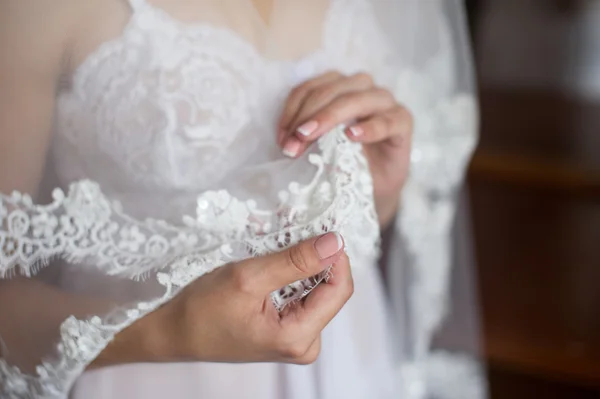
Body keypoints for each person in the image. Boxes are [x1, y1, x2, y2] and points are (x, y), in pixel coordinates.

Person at [0, 1, 484, 398]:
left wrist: (380, 186)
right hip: (148, 376)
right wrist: (172, 328)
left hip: (350, 364)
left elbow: (363, 229)